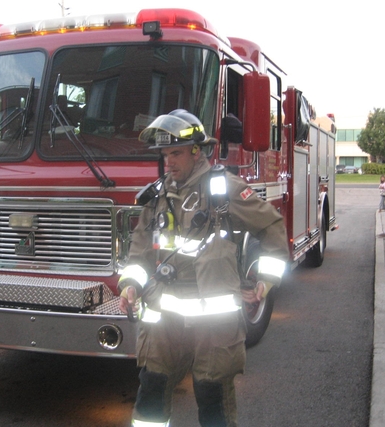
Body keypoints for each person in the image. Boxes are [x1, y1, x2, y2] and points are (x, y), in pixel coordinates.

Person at [118, 109, 289, 427]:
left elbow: (272, 226)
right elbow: (139, 251)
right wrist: (131, 284)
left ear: (197, 152)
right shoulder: (158, 196)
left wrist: (266, 278)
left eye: (177, 153)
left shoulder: (224, 190)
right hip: (163, 321)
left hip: (214, 323)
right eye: (166, 154)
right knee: (151, 393)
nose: (170, 162)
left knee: (211, 398)